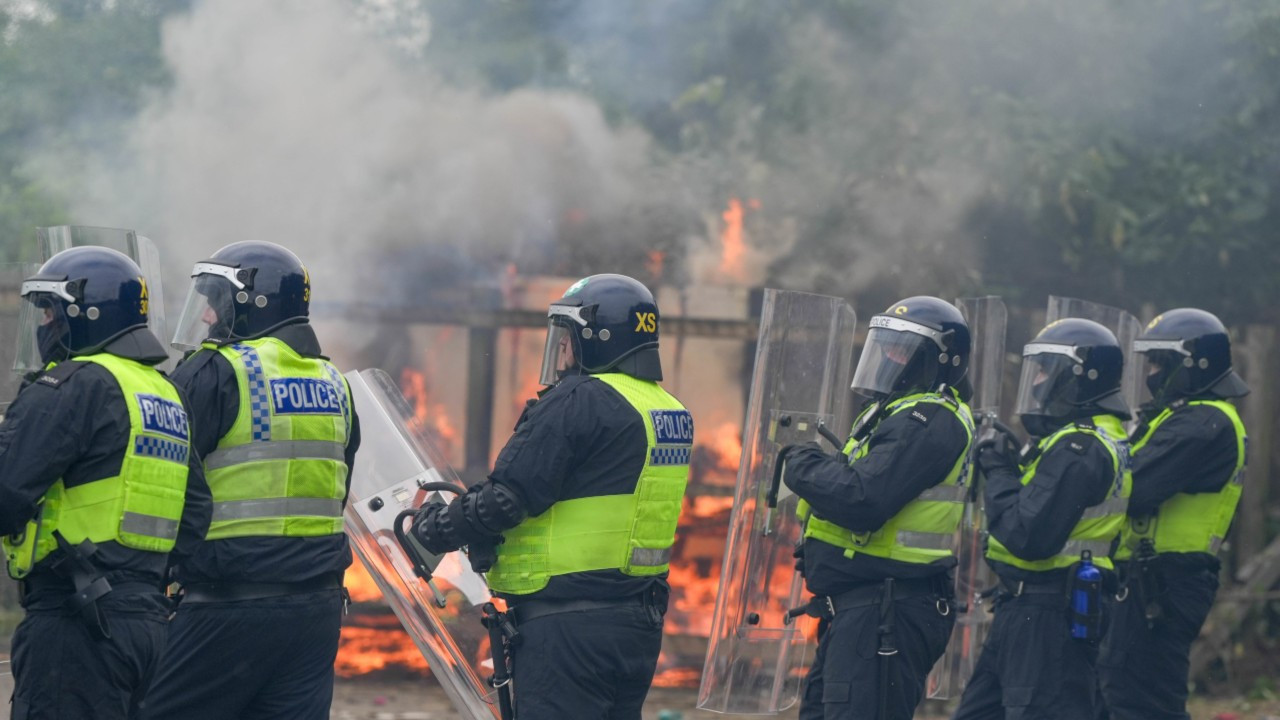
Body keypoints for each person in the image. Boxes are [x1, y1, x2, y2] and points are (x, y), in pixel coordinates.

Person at [411, 273, 692, 720]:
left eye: (567, 338)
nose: (561, 351)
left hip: (567, 628)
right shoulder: (668, 410)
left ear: (596, 338)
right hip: (636, 622)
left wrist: (435, 527)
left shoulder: (579, 398)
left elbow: (508, 498)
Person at [139, 241, 360, 720]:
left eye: (216, 305)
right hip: (316, 611)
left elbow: (161, 477)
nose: (205, 319)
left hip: (228, 605)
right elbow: (338, 490)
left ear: (252, 305)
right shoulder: (335, 384)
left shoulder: (219, 371)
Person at [0, 246, 210, 720]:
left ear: (87, 315)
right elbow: (195, 515)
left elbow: (6, 496)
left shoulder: (74, 386)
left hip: (74, 624)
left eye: (52, 311)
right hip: (147, 625)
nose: (45, 324)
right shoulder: (164, 392)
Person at [781, 296, 974, 720]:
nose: (890, 356)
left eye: (903, 348)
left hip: (887, 612)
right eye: (886, 345)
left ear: (939, 358)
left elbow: (862, 499)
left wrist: (800, 464)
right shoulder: (892, 413)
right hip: (861, 608)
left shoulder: (929, 419)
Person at [951, 318, 1132, 720]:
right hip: (1026, 607)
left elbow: (1027, 535)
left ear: (1079, 378)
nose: (1037, 382)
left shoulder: (1080, 448)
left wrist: (998, 470)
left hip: (1050, 613)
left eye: (1048, 371)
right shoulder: (1078, 439)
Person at [1097, 309, 1248, 720]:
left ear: (1193, 363)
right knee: (1117, 696)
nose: (1150, 372)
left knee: (1142, 702)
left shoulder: (1204, 422)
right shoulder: (1180, 417)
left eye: (1160, 362)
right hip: (1150, 575)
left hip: (1166, 580)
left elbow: (1134, 487)